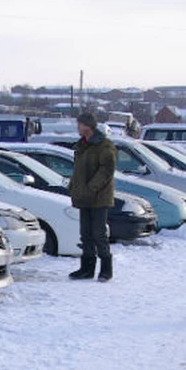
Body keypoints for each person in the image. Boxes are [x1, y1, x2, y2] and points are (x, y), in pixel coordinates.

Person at [68, 112, 117, 282]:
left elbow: (106, 171)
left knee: (99, 234)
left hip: (99, 197)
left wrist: (91, 188)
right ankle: (87, 268)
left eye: (80, 124)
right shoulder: (82, 145)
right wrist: (73, 186)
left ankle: (106, 269)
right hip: (83, 196)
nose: (78, 128)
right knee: (85, 234)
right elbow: (78, 170)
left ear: (88, 126)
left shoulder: (104, 145)